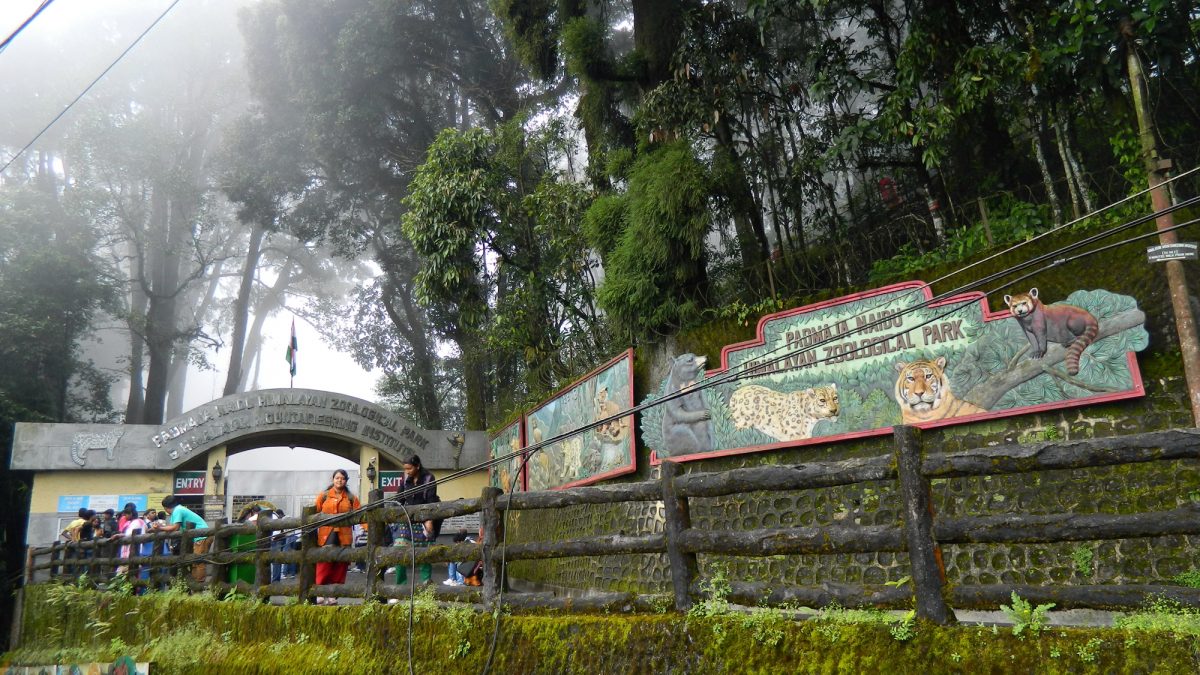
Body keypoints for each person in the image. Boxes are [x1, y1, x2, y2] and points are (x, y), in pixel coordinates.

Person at [394, 455, 441, 586]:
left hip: (425, 517)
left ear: (417, 466)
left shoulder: (429, 478)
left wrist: (429, 520)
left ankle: (426, 587)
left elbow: (431, 500)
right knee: (399, 551)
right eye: (405, 469)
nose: (407, 471)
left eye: (409, 468)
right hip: (407, 518)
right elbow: (398, 500)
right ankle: (400, 586)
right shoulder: (405, 480)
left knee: (425, 554)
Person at [315, 468, 360, 605]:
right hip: (326, 534)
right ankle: (320, 592)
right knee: (324, 562)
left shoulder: (351, 498)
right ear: (333, 479)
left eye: (342, 478)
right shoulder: (324, 496)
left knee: (340, 563)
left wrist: (368, 528)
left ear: (346, 481)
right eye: (337, 478)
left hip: (344, 535)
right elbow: (315, 512)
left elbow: (360, 515)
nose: (339, 480)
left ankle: (334, 594)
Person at [159, 495, 210, 582]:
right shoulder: (178, 510)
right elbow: (172, 527)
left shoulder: (177, 510)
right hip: (199, 536)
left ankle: (198, 587)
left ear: (166, 508)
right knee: (195, 562)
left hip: (201, 536)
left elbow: (175, 527)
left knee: (198, 562)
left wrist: (159, 528)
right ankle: (195, 585)